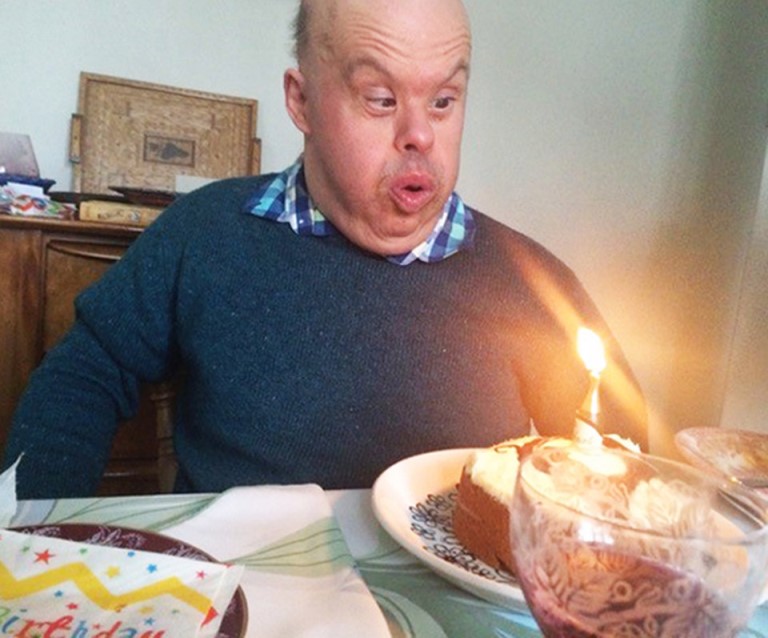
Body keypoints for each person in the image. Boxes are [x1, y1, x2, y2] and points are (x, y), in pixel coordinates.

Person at [3, 0, 647, 498]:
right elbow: (85, 373)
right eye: (381, 99)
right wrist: (32, 539)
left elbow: (620, 453)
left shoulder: (532, 282)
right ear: (303, 100)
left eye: (444, 101)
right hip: (240, 592)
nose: (420, 134)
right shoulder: (204, 232)